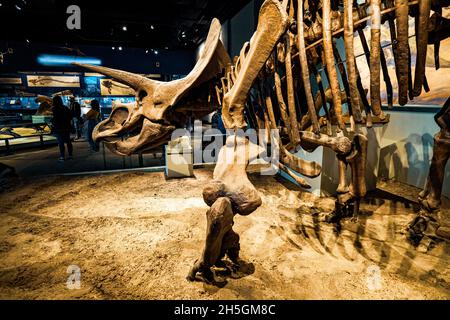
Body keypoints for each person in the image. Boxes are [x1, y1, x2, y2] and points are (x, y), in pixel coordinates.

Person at [51, 96, 73, 162]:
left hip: (58, 127)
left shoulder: (54, 109)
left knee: (60, 142)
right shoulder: (65, 108)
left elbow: (53, 118)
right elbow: (70, 116)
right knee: (68, 141)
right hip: (66, 127)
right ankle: (70, 155)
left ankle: (62, 156)